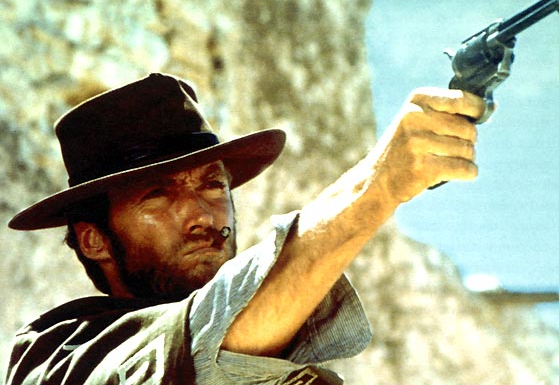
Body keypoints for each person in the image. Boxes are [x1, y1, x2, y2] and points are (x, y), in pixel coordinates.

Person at [5, 72, 483, 384]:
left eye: (213, 185)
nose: (203, 215)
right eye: (157, 194)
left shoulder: (276, 362)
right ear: (94, 240)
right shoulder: (56, 358)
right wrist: (378, 184)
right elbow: (203, 336)